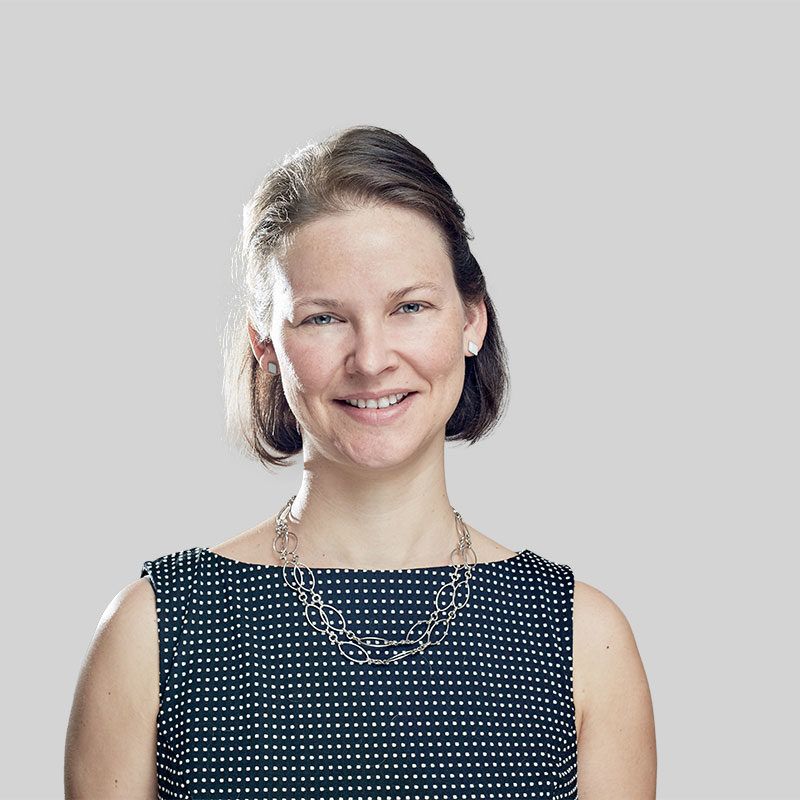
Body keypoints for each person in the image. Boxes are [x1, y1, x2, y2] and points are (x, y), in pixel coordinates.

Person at [65, 125, 656, 799]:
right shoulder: (154, 631)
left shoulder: (583, 639)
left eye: (410, 306)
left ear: (471, 320)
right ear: (266, 344)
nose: (372, 360)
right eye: (323, 318)